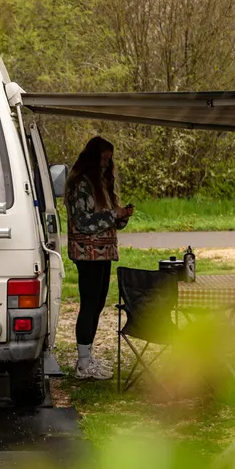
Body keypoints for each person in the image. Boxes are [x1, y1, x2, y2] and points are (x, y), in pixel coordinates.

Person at [65, 136, 133, 379]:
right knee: (89, 305)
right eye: (103, 159)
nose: (106, 164)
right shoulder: (80, 184)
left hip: (103, 253)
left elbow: (107, 218)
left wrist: (122, 216)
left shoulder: (102, 182)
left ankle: (88, 357)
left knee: (98, 305)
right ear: (93, 158)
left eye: (109, 160)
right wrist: (113, 215)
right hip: (88, 254)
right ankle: (83, 364)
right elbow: (82, 221)